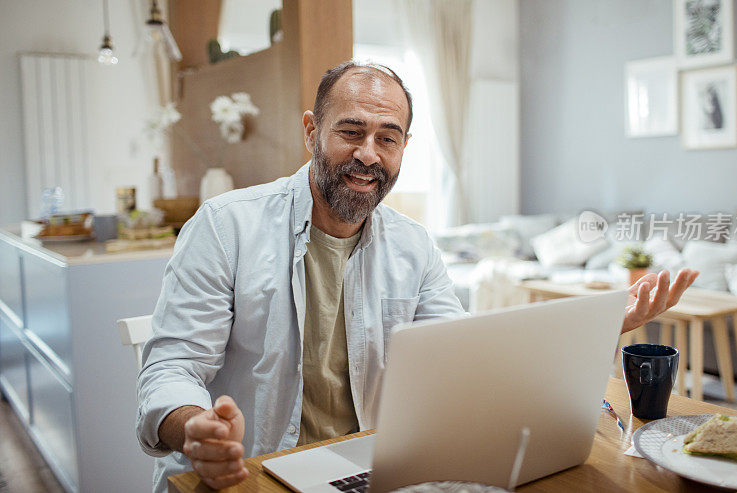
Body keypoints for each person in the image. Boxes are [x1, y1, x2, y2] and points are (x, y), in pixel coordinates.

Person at [136, 61, 699, 491]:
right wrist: (196, 429)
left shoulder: (413, 244)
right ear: (311, 131)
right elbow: (172, 365)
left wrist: (594, 330)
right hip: (252, 472)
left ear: (405, 145)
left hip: (372, 469)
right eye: (351, 131)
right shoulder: (224, 225)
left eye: (388, 137)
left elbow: (463, 361)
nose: (369, 154)